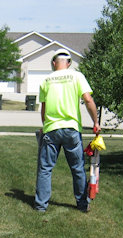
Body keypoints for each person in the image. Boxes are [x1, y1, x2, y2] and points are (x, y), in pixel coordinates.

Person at [34, 48, 100, 213]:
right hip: (71, 129)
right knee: (77, 168)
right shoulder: (77, 76)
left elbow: (43, 108)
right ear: (69, 63)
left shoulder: (46, 80)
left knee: (45, 168)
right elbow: (88, 99)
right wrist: (96, 122)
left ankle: (41, 206)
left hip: (51, 130)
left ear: (54, 63)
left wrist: (45, 126)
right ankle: (82, 204)